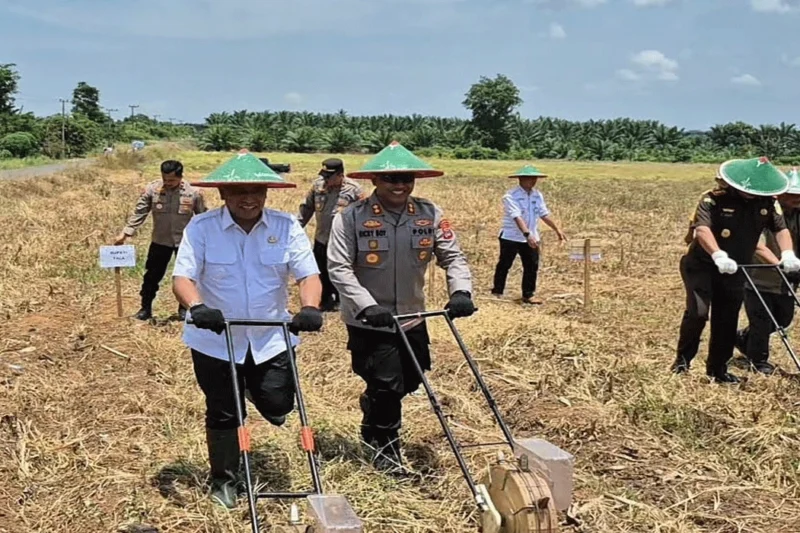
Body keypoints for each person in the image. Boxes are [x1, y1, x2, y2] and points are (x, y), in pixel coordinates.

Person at [171, 150, 323, 508]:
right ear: (223, 193)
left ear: (267, 192)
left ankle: (256, 388)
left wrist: (310, 307)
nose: (248, 198)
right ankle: (224, 480)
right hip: (215, 339)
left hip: (271, 337)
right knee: (224, 411)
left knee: (278, 404)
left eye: (256, 190)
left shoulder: (285, 226)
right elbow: (182, 277)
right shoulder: (202, 227)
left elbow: (308, 274)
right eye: (239, 191)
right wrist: (197, 306)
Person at [327, 141, 475, 472]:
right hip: (371, 320)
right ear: (375, 181)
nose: (400, 185)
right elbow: (339, 268)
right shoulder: (351, 218)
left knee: (412, 379)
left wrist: (461, 291)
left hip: (413, 316)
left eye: (406, 179)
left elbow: (452, 256)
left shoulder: (429, 213)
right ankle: (384, 445)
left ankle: (373, 405)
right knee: (387, 385)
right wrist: (366, 305)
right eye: (392, 179)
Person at [672, 157, 800, 383]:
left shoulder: (767, 203)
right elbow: (702, 230)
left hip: (736, 269)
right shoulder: (712, 199)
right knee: (699, 313)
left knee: (727, 317)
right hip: (702, 265)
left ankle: (717, 370)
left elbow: (780, 230)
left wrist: (787, 253)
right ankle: (682, 362)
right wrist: (718, 254)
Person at [115, 160, 206, 321]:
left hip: (185, 243)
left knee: (187, 277)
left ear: (180, 177)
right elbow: (140, 212)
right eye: (165, 179)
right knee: (151, 277)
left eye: (172, 180)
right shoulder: (153, 190)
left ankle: (184, 308)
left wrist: (209, 239)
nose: (168, 183)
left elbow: (203, 218)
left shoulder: (193, 193)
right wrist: (126, 232)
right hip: (160, 241)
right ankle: (145, 308)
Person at [735, 168, 800, 375]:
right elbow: (756, 243)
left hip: (788, 279)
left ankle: (742, 338)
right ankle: (758, 361)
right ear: (780, 194)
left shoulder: (798, 215)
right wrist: (778, 263)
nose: (797, 199)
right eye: (793, 195)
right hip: (758, 276)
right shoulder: (764, 212)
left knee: (783, 319)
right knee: (761, 320)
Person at [491, 165, 567, 305]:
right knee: (505, 264)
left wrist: (557, 229)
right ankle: (497, 291)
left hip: (532, 236)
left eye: (535, 178)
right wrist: (527, 235)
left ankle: (528, 294)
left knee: (532, 265)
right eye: (529, 178)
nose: (533, 181)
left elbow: (544, 214)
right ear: (520, 179)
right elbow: (517, 217)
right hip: (511, 237)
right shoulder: (510, 196)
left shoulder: (537, 195)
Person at [297, 158, 364, 311]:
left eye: (329, 176)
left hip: (343, 241)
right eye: (324, 176)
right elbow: (306, 209)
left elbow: (365, 214)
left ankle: (343, 300)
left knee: (342, 270)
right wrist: (296, 228)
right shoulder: (317, 186)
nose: (325, 180)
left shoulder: (354, 190)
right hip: (322, 238)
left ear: (340, 175)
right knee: (320, 270)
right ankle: (325, 300)